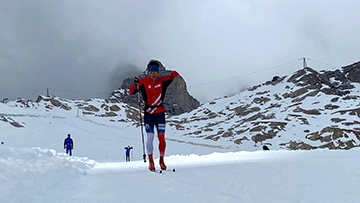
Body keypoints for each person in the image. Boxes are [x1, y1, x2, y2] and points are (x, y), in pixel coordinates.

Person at [129, 59, 179, 171]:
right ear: (148, 72)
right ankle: (151, 162)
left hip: (160, 114)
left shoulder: (162, 81)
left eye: (155, 72)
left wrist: (174, 74)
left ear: (158, 72)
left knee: (161, 138)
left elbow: (171, 77)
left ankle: (162, 160)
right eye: (151, 72)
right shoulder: (143, 82)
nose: (153, 75)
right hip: (149, 115)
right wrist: (135, 84)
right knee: (150, 137)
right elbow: (131, 92)